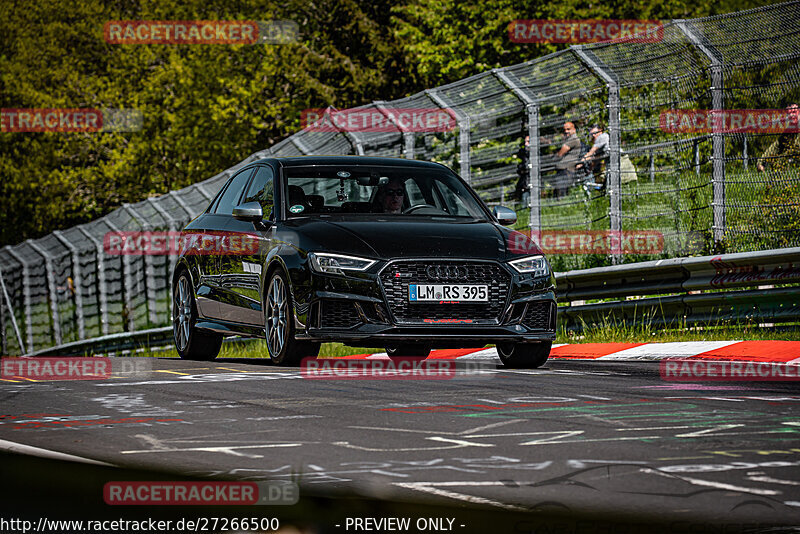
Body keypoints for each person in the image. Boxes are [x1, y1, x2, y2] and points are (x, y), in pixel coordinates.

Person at [757, 103, 800, 173]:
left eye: (794, 112)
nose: (792, 115)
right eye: (789, 113)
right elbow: (776, 146)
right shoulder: (790, 130)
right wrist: (761, 162)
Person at [552, 122, 580, 197]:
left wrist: (553, 159)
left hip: (566, 170)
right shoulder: (569, 139)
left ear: (574, 129)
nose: (566, 131)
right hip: (564, 170)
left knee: (561, 193)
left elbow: (561, 153)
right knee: (559, 193)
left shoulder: (573, 139)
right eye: (564, 130)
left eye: (568, 129)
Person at [577, 124, 609, 188]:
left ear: (600, 131)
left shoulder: (602, 137)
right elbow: (596, 158)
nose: (594, 135)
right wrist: (589, 170)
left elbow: (590, 153)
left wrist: (579, 164)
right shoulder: (601, 144)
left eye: (595, 133)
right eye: (592, 134)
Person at [513, 135, 530, 202]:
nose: (526, 144)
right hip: (524, 183)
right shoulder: (523, 154)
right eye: (525, 142)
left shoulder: (536, 155)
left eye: (528, 142)